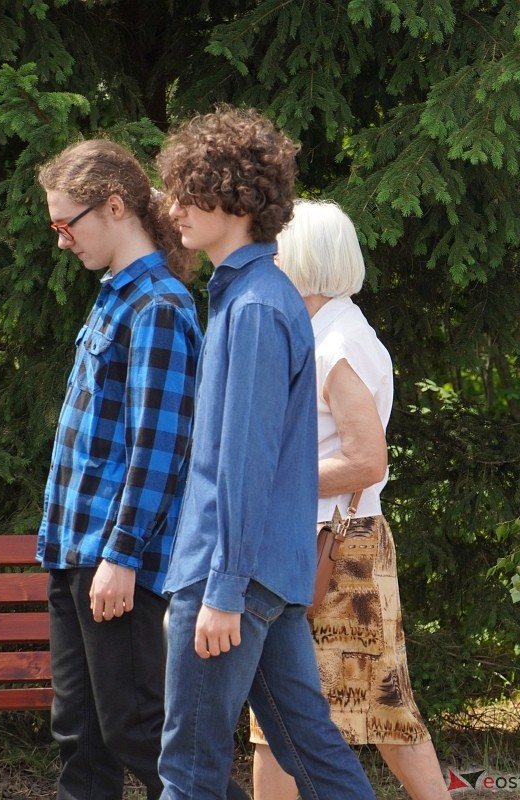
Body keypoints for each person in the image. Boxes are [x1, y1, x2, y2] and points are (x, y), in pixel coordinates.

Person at [155, 106, 374, 800]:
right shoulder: (258, 297)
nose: (172, 207)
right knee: (311, 748)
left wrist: (220, 590)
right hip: (263, 575)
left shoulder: (252, 307)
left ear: (236, 197)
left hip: (231, 576)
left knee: (187, 771)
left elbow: (244, 463)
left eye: (187, 190)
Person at [248, 201, 449, 800]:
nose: (267, 261)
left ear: (303, 259)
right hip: (318, 543)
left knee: (384, 709)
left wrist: (271, 478)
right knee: (280, 716)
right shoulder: (320, 333)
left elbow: (367, 458)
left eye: (276, 249)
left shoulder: (339, 341)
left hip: (342, 549)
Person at [35, 139, 202, 800]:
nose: (60, 241)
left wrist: (123, 557)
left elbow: (160, 452)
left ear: (112, 207)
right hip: (75, 552)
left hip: (113, 560)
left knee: (136, 728)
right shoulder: (114, 296)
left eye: (65, 225)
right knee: (81, 736)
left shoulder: (157, 308)